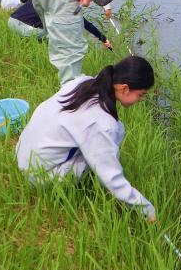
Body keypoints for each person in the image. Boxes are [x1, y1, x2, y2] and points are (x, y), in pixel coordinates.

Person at [15, 56, 156, 221]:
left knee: (112, 135)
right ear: (124, 88)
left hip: (24, 152)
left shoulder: (84, 82)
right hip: (37, 175)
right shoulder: (100, 123)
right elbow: (111, 178)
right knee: (101, 157)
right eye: (141, 95)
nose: (140, 100)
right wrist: (148, 210)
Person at [8, 0, 113, 50]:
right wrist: (103, 39)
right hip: (24, 28)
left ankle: (32, 45)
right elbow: (85, 23)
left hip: (11, 21)